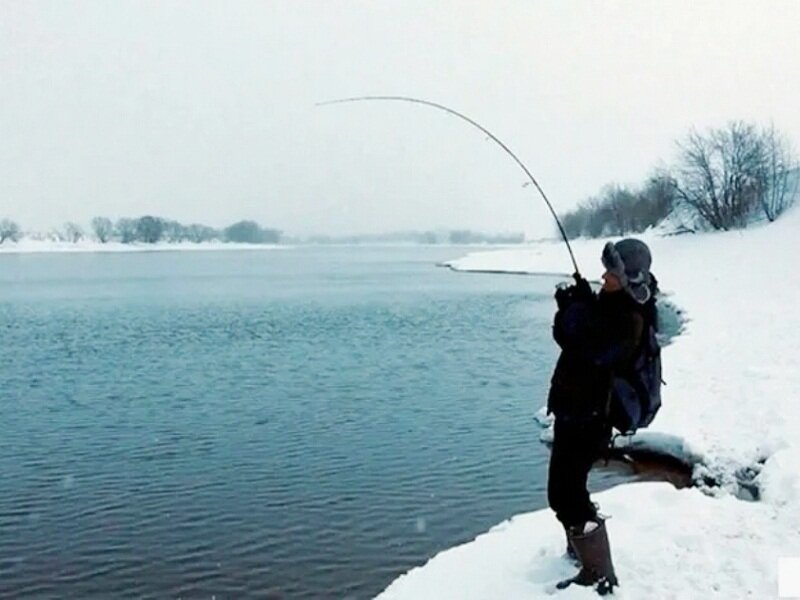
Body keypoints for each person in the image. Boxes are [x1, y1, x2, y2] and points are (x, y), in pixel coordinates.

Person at [546, 238, 657, 595]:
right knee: (567, 490)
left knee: (564, 493)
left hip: (590, 416)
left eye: (611, 273)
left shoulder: (629, 316)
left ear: (629, 277)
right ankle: (583, 550)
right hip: (578, 411)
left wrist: (574, 308)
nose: (604, 278)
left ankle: (598, 573)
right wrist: (579, 302)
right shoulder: (615, 304)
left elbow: (586, 347)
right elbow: (572, 334)